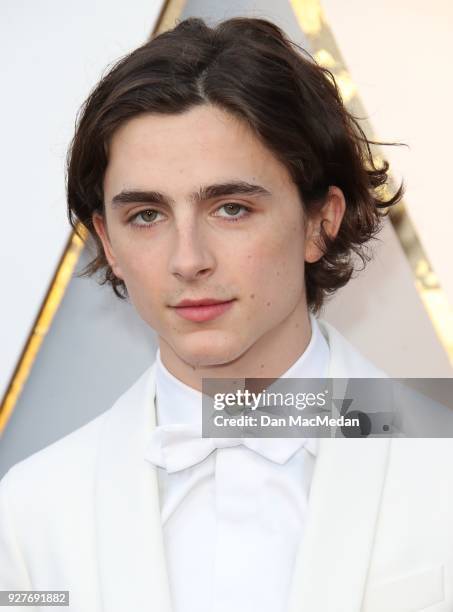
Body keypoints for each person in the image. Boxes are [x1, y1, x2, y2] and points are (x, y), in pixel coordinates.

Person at [1, 16, 453, 612]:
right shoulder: (30, 511)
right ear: (107, 242)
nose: (188, 260)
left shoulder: (441, 468)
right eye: (146, 215)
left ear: (322, 220)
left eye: (232, 208)